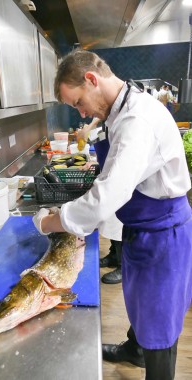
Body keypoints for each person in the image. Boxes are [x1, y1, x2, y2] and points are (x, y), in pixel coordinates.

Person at [33, 49, 192, 380]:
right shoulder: (120, 109)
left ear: (92, 80)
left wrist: (52, 221)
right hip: (142, 229)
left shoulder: (136, 120)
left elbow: (106, 198)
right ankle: (135, 351)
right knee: (141, 305)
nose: (81, 111)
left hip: (163, 235)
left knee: (160, 323)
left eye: (78, 102)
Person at [77, 117, 123, 284]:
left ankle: (123, 265)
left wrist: (89, 127)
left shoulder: (124, 118)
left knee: (119, 226)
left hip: (121, 179)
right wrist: (95, 163)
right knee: (111, 221)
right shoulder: (107, 122)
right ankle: (113, 256)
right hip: (109, 172)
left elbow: (122, 154)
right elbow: (109, 152)